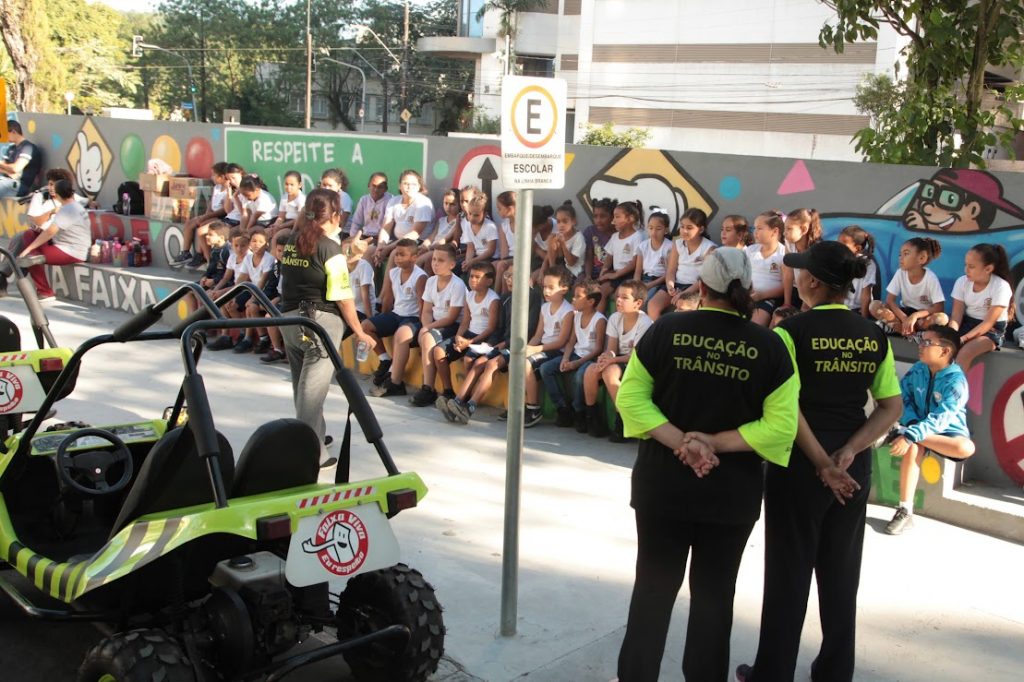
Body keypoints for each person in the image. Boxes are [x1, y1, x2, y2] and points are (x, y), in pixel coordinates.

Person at [615, 247, 800, 682]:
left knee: (652, 593)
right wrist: (713, 443)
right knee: (715, 598)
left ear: (701, 286)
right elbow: (779, 428)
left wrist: (683, 441)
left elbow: (631, 399)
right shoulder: (770, 346)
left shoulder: (666, 330)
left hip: (663, 487)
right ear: (749, 289)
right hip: (730, 495)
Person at [735, 240, 903, 682]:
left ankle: (772, 673)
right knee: (841, 574)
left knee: (788, 574)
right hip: (853, 468)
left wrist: (823, 464)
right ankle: (834, 671)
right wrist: (849, 452)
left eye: (801, 272)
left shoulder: (791, 333)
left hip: (800, 466)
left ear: (811, 282)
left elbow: (786, 410)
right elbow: (890, 407)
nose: (797, 279)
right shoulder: (873, 335)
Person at [278, 188, 374, 467]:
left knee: (303, 388)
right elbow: (343, 297)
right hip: (320, 325)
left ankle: (316, 440)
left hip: (289, 322)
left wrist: (349, 255)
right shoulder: (329, 248)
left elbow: (318, 266)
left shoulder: (294, 240)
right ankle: (307, 454)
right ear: (334, 215)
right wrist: (359, 331)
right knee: (312, 394)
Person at [885, 325, 975, 535]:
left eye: (927, 342)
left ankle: (901, 433)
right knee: (913, 448)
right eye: (921, 340)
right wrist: (913, 425)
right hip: (917, 426)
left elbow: (942, 418)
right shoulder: (918, 369)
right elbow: (902, 396)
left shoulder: (956, 381)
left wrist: (910, 434)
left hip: (944, 434)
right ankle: (905, 511)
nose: (921, 346)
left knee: (966, 447)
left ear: (945, 351)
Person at [439, 264, 540, 425]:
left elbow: (530, 328)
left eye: (513, 276)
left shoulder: (532, 296)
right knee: (478, 362)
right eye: (507, 276)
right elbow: (499, 327)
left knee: (491, 364)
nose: (509, 280)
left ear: (526, 278)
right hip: (503, 343)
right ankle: (459, 401)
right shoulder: (506, 298)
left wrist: (504, 343)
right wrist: (491, 343)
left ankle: (470, 406)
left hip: (520, 345)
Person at [583, 280, 652, 440]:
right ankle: (592, 418)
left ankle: (623, 421)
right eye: (618, 296)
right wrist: (606, 357)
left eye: (625, 297)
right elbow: (611, 348)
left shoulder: (645, 322)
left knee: (609, 373)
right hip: (620, 360)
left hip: (639, 364)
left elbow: (636, 356)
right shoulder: (614, 318)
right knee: (591, 370)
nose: (618, 300)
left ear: (638, 303)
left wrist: (611, 361)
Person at [432, 260, 500, 414]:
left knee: (469, 359)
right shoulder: (469, 296)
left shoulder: (493, 300)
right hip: (468, 335)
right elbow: (465, 320)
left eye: (478, 277)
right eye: (471, 277)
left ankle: (465, 397)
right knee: (438, 352)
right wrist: (458, 337)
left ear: (489, 281)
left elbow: (491, 328)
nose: (473, 280)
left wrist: (470, 342)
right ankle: (448, 390)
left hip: (483, 337)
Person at [5, 178, 90, 300]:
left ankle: (45, 291)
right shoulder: (76, 206)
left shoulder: (67, 210)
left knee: (30, 256)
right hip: (69, 247)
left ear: (59, 195)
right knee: (29, 234)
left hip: (71, 252)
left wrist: (27, 249)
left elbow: (50, 232)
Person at [364, 238, 428, 396]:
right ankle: (386, 360)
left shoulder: (420, 276)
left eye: (402, 255)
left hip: (412, 318)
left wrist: (422, 327)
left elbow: (422, 305)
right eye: (396, 255)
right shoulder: (393, 272)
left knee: (401, 335)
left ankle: (395, 383)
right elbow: (388, 299)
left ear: (414, 257)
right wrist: (382, 318)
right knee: (365, 326)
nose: (397, 258)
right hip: (395, 314)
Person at [408, 243, 467, 407]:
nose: (435, 263)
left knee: (427, 339)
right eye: (434, 259)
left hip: (454, 326)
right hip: (436, 324)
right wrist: (427, 326)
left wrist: (427, 328)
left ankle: (428, 388)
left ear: (452, 265)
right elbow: (426, 310)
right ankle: (428, 388)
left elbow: (452, 317)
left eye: (440, 260)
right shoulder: (431, 281)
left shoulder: (458, 285)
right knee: (426, 338)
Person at [545, 279, 607, 433]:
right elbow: (572, 341)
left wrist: (577, 363)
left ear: (590, 301)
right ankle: (562, 407)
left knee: (580, 375)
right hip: (575, 355)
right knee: (546, 368)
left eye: (577, 296)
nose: (573, 299)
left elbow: (598, 349)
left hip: (589, 359)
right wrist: (566, 358)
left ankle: (580, 411)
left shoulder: (599, 320)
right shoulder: (577, 316)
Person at [523, 265, 575, 427]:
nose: (546, 291)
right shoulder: (544, 308)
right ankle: (518, 405)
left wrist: (535, 349)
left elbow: (561, 342)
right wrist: (526, 348)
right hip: (543, 349)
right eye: (544, 287)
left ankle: (533, 408)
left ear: (564, 289)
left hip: (556, 352)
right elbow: (538, 335)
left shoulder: (568, 311)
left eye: (551, 287)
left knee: (526, 363)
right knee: (517, 359)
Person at [949, 243, 1013, 369]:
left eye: (971, 266)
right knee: (941, 349)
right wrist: (951, 336)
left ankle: (955, 388)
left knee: (965, 353)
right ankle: (936, 387)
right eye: (965, 265)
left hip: (991, 331)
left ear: (988, 269)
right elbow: (956, 316)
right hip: (967, 324)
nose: (966, 270)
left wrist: (963, 339)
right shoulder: (961, 282)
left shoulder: (1001, 286)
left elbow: (988, 323)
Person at [870, 237, 948, 335]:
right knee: (874, 306)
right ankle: (907, 331)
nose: (900, 258)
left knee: (942, 319)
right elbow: (890, 300)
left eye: (906, 254)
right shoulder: (900, 273)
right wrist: (904, 318)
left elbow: (939, 308)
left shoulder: (930, 278)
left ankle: (899, 329)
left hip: (921, 318)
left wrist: (915, 316)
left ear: (921, 258)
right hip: (904, 313)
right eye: (900, 254)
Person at [648, 208, 715, 318]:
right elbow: (671, 270)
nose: (684, 231)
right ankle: (662, 333)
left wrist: (684, 293)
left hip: (696, 288)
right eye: (682, 226)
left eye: (689, 228)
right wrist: (671, 286)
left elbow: (705, 278)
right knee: (653, 305)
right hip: (677, 285)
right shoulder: (677, 244)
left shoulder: (709, 248)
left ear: (701, 229)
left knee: (685, 310)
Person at [173, 161, 229, 269]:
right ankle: (186, 252)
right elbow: (211, 203)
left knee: (202, 225)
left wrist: (207, 217)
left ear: (222, 177)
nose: (211, 177)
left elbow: (224, 210)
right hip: (211, 214)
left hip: (220, 216)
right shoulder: (217, 188)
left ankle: (204, 257)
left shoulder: (228, 190)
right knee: (190, 223)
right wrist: (206, 214)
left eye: (214, 175)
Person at [597, 200, 644, 310]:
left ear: (630, 219)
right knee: (601, 292)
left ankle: (619, 321)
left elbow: (634, 263)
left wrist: (615, 275)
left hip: (629, 275)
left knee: (619, 296)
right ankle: (599, 322)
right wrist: (604, 269)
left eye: (617, 217)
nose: (613, 221)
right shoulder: (614, 236)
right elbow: (609, 256)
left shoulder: (637, 237)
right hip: (616, 273)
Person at [746, 210, 786, 327]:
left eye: (759, 228)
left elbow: (786, 286)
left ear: (774, 231)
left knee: (754, 326)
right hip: (747, 296)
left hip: (768, 299)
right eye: (754, 228)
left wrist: (761, 295)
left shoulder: (783, 254)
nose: (755, 232)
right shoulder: (750, 250)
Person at [781, 207, 823, 309]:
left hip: (813, 294)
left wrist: (805, 305)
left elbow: (814, 283)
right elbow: (788, 272)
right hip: (798, 289)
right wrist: (787, 302)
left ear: (804, 229)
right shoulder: (790, 243)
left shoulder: (816, 250)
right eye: (784, 228)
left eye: (789, 228)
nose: (784, 233)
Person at [633, 209, 672, 315]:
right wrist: (637, 284)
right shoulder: (643, 246)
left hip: (659, 282)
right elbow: (637, 271)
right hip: (644, 280)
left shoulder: (670, 247)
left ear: (666, 229)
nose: (654, 232)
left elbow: (669, 273)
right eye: (650, 228)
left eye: (658, 229)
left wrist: (650, 285)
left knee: (645, 301)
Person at [837, 225, 877, 316]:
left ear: (857, 248)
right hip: (839, 308)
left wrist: (864, 318)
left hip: (857, 310)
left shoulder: (868, 264)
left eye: (843, 244)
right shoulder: (837, 260)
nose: (839, 247)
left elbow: (866, 294)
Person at [545, 201, 586, 279]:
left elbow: (571, 263)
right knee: (551, 238)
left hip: (575, 272)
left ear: (573, 221)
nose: (561, 225)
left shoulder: (579, 238)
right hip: (562, 266)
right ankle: (552, 271)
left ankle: (553, 274)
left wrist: (563, 243)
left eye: (565, 221)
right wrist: (543, 270)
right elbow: (548, 256)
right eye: (558, 221)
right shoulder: (558, 235)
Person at [0, 120, 41, 198]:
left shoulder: (28, 147)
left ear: (13, 132)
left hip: (19, 185)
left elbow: (16, 168)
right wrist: (9, 171)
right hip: (6, 181)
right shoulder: (11, 148)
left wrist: (8, 169)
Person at [349, 171, 391, 244]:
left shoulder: (390, 201)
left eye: (380, 187)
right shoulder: (364, 200)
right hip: (365, 235)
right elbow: (356, 222)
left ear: (386, 188)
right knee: (345, 246)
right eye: (373, 186)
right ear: (369, 185)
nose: (376, 190)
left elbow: (389, 226)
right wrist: (353, 238)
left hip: (380, 238)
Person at [460, 193, 499, 271]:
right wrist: (468, 262)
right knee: (458, 267)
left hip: (490, 258)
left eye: (476, 215)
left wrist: (473, 261)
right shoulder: (467, 225)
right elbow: (470, 247)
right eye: (470, 214)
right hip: (477, 257)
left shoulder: (490, 227)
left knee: (475, 270)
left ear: (485, 214)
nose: (472, 218)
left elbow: (491, 251)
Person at [583, 197, 617, 281]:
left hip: (611, 273)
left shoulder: (618, 234)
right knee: (578, 285)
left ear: (612, 216)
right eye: (595, 216)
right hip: (593, 271)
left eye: (603, 216)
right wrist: (588, 276)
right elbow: (588, 256)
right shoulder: (590, 231)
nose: (598, 220)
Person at [269, 170, 306, 237]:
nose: (289, 187)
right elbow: (281, 217)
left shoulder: (301, 199)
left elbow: (299, 219)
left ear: (299, 185)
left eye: (292, 185)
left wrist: (281, 226)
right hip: (285, 223)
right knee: (267, 232)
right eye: (286, 184)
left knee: (276, 237)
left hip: (296, 225)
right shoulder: (284, 197)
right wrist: (276, 225)